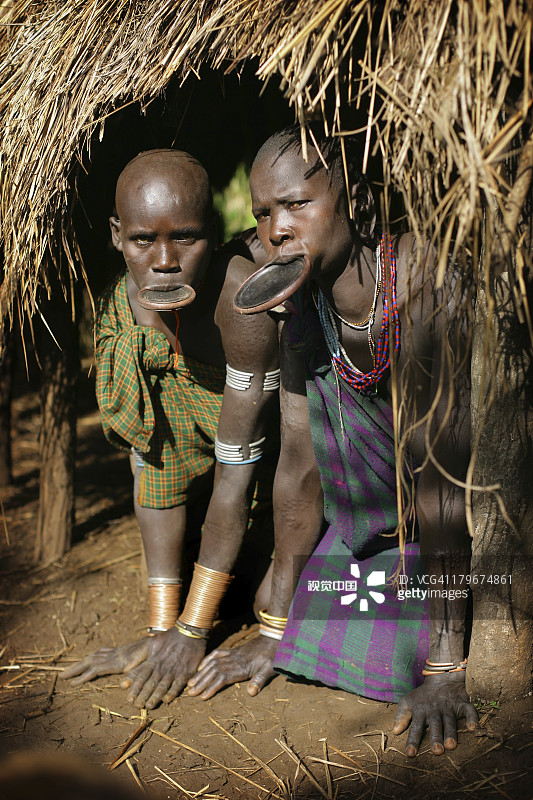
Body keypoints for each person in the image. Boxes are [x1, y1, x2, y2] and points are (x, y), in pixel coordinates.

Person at [189, 126, 478, 757]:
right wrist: (273, 626)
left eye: (297, 204)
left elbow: (444, 488)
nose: (277, 230)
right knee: (306, 638)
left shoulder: (422, 281)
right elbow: (297, 467)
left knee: (402, 646)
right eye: (263, 215)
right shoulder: (303, 311)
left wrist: (446, 667)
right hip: (371, 526)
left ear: (356, 196)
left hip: (445, 523)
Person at [63, 149, 282, 707]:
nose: (165, 260)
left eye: (186, 238)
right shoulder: (123, 313)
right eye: (143, 241)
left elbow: (238, 479)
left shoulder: (242, 306)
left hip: (282, 501)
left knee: (281, 601)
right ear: (117, 236)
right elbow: (153, 464)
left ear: (214, 230)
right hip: (212, 511)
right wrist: (165, 629)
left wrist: (193, 632)